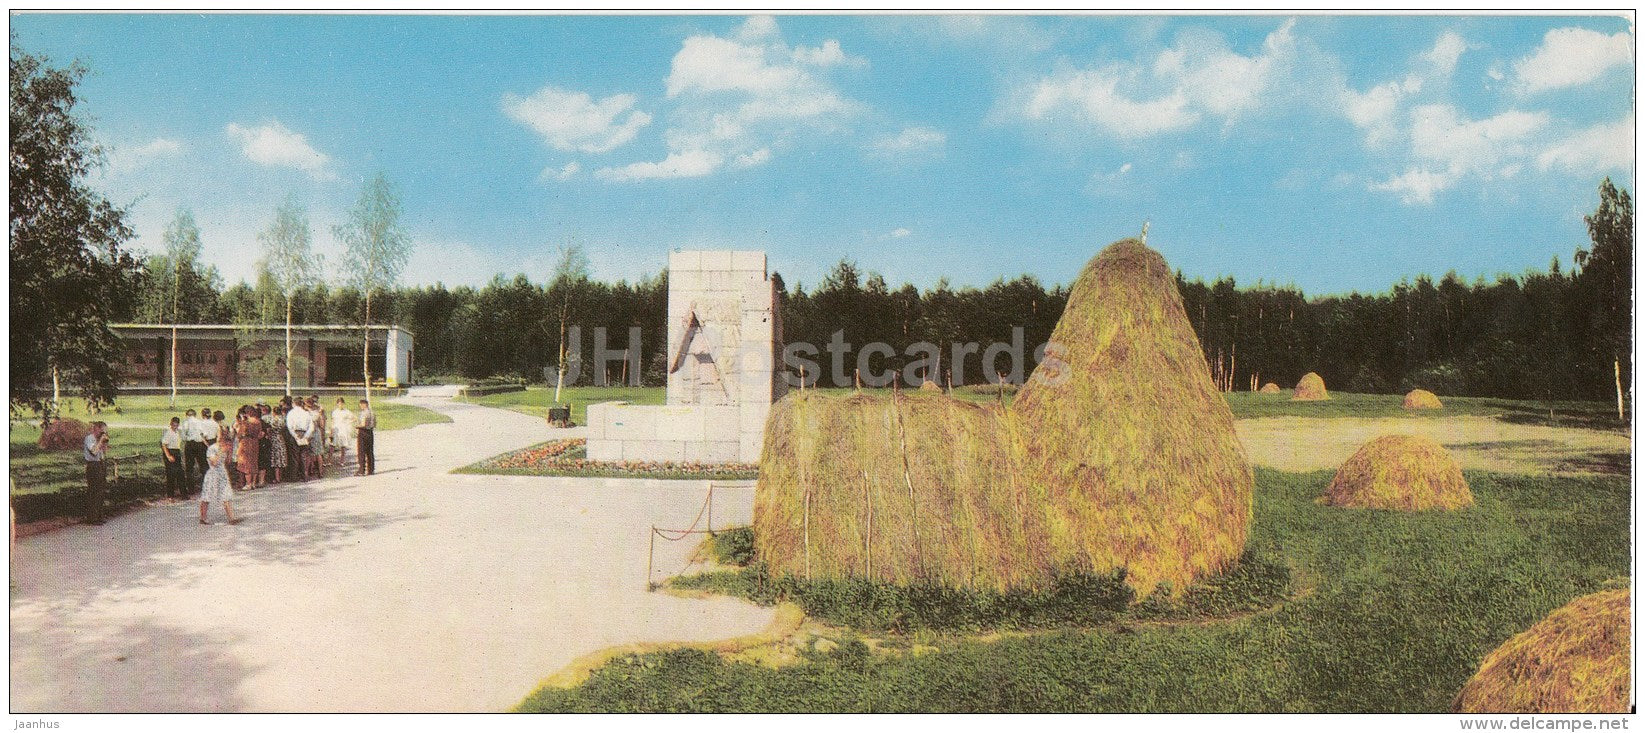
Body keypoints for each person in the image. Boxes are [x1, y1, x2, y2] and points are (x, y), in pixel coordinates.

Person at [198, 437, 239, 525]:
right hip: (212, 474)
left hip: (222, 473)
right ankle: (203, 518)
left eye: (229, 445)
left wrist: (229, 453)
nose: (228, 446)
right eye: (227, 444)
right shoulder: (212, 448)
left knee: (226, 494)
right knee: (207, 495)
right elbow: (214, 463)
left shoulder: (226, 449)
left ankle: (231, 518)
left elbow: (227, 462)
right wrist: (221, 451)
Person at [83, 421, 109, 525]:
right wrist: (100, 442)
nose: (103, 433)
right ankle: (92, 518)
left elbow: (103, 453)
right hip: (93, 465)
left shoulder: (99, 440)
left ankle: (99, 516)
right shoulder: (90, 438)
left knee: (101, 491)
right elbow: (93, 451)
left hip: (100, 464)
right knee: (94, 491)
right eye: (102, 431)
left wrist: (104, 443)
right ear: (96, 429)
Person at [287, 397, 316, 480]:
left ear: (294, 404)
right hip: (304, 433)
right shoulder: (306, 413)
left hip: (295, 433)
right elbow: (311, 427)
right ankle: (304, 475)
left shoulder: (291, 413)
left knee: (294, 456)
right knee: (303, 456)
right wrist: (306, 436)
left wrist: (295, 436)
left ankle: (294, 476)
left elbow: (290, 426)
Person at [182, 408, 209, 494]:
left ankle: (191, 489)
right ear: (195, 415)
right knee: (203, 465)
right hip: (199, 444)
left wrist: (187, 439)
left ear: (187, 415)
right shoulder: (200, 422)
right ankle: (206, 487)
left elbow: (183, 436)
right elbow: (205, 434)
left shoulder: (186, 422)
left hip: (190, 444)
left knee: (189, 467)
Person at [236, 406, 262, 490]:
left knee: (246, 462)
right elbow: (259, 434)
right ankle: (253, 483)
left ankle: (248, 483)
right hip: (255, 442)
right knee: (254, 462)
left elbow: (240, 434)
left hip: (246, 442)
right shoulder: (258, 421)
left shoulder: (246, 423)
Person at [161, 417, 185, 498]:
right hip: (170, 451)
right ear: (171, 424)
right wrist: (168, 456)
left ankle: (183, 494)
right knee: (171, 474)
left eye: (176, 425)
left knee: (180, 474)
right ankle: (170, 495)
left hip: (176, 452)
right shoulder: (168, 432)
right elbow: (164, 445)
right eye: (173, 425)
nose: (175, 426)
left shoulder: (177, 432)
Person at [265, 403, 288, 484]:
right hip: (281, 438)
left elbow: (270, 430)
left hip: (275, 439)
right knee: (281, 457)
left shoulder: (274, 420)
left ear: (274, 412)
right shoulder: (283, 419)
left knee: (276, 458)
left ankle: (277, 478)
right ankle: (280, 477)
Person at [330, 398, 356, 467]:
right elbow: (332, 421)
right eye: (339, 404)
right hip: (336, 429)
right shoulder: (335, 412)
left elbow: (354, 418)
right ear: (337, 404)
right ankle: (329, 461)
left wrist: (347, 422)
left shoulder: (347, 411)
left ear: (343, 404)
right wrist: (331, 431)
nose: (340, 405)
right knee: (332, 445)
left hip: (343, 429)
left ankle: (342, 461)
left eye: (342, 403)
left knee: (343, 446)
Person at [356, 399, 376, 476]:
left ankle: (361, 470)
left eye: (361, 405)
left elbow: (363, 424)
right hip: (370, 432)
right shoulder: (372, 413)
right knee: (370, 451)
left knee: (361, 452)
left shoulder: (364, 413)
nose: (360, 406)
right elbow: (374, 424)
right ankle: (371, 469)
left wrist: (356, 426)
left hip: (363, 432)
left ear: (364, 404)